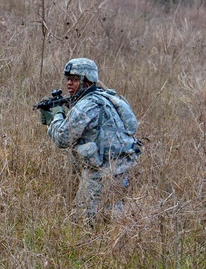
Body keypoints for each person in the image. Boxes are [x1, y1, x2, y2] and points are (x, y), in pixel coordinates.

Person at [43, 58, 140, 226]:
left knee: (83, 220)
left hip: (102, 171)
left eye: (74, 79)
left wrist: (56, 116)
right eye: (68, 79)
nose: (69, 84)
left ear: (86, 80)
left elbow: (62, 138)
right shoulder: (105, 96)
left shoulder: (87, 105)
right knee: (114, 215)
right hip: (122, 165)